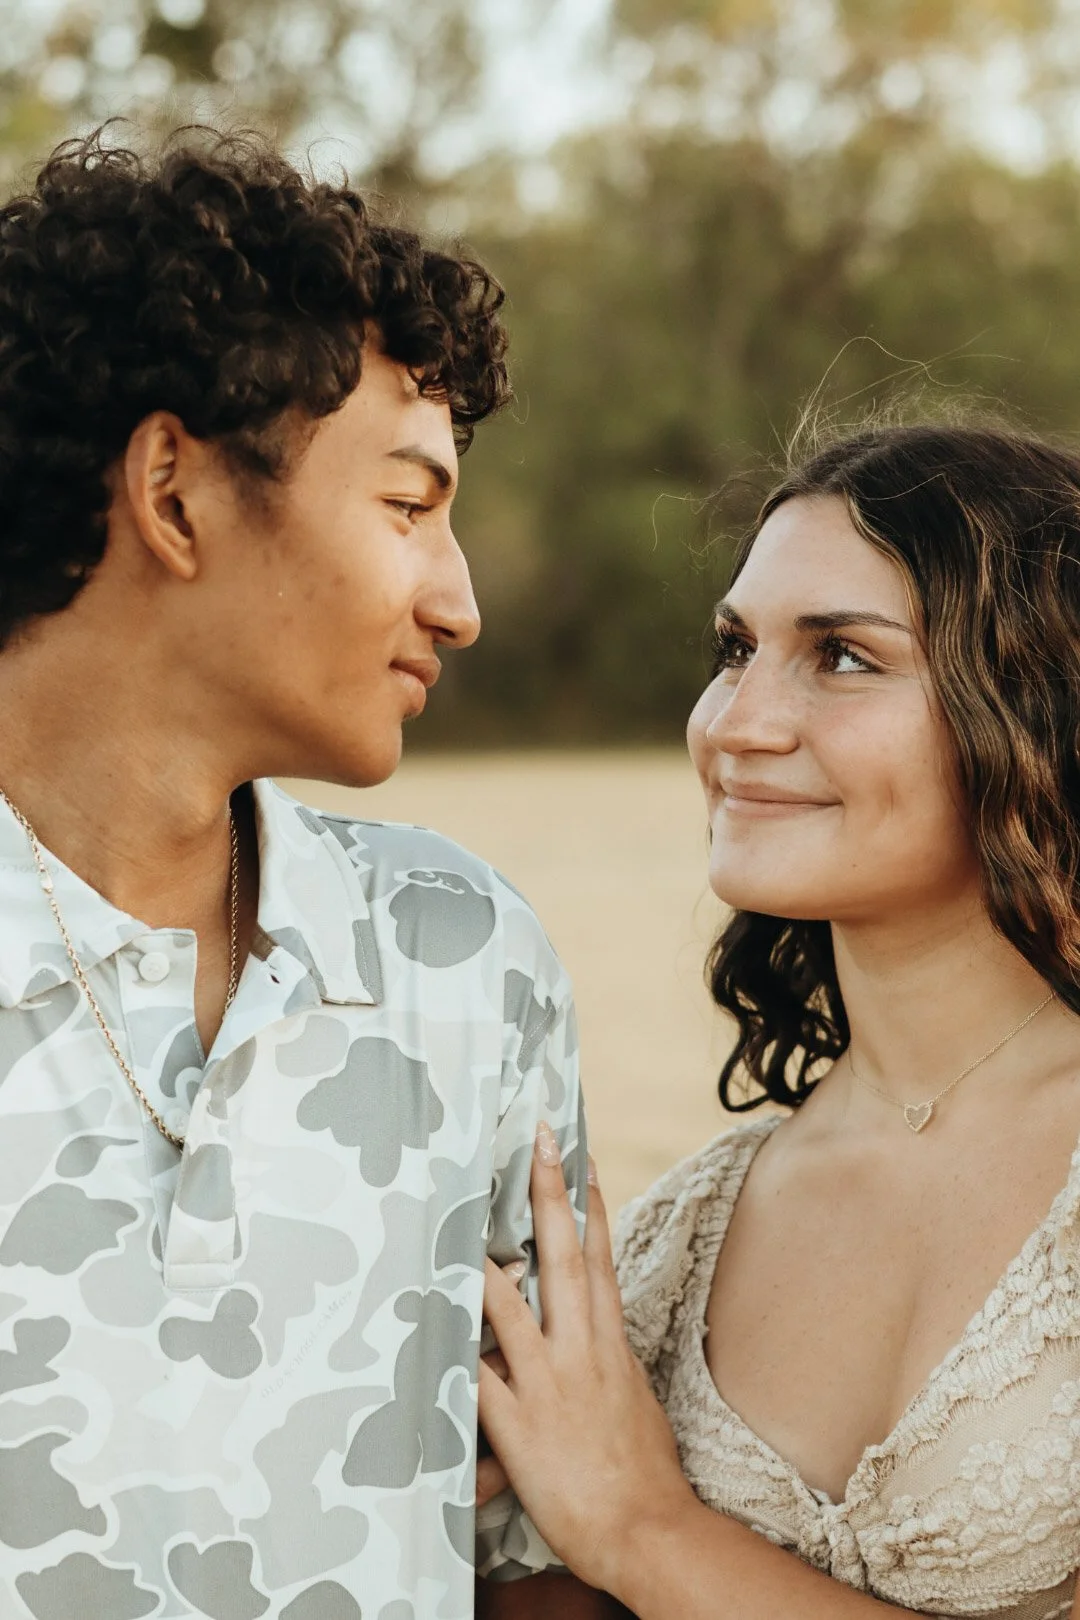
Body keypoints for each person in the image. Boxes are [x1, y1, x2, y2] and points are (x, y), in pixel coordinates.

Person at [0, 127, 591, 1619]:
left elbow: (538, 1562)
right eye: (408, 503)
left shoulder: (472, 963)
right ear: (175, 493)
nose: (456, 605)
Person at [477, 422, 1080, 1619]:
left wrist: (643, 1531)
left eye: (843, 657)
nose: (737, 723)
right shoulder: (677, 1241)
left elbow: (632, 1532)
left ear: (1034, 705)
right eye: (734, 648)